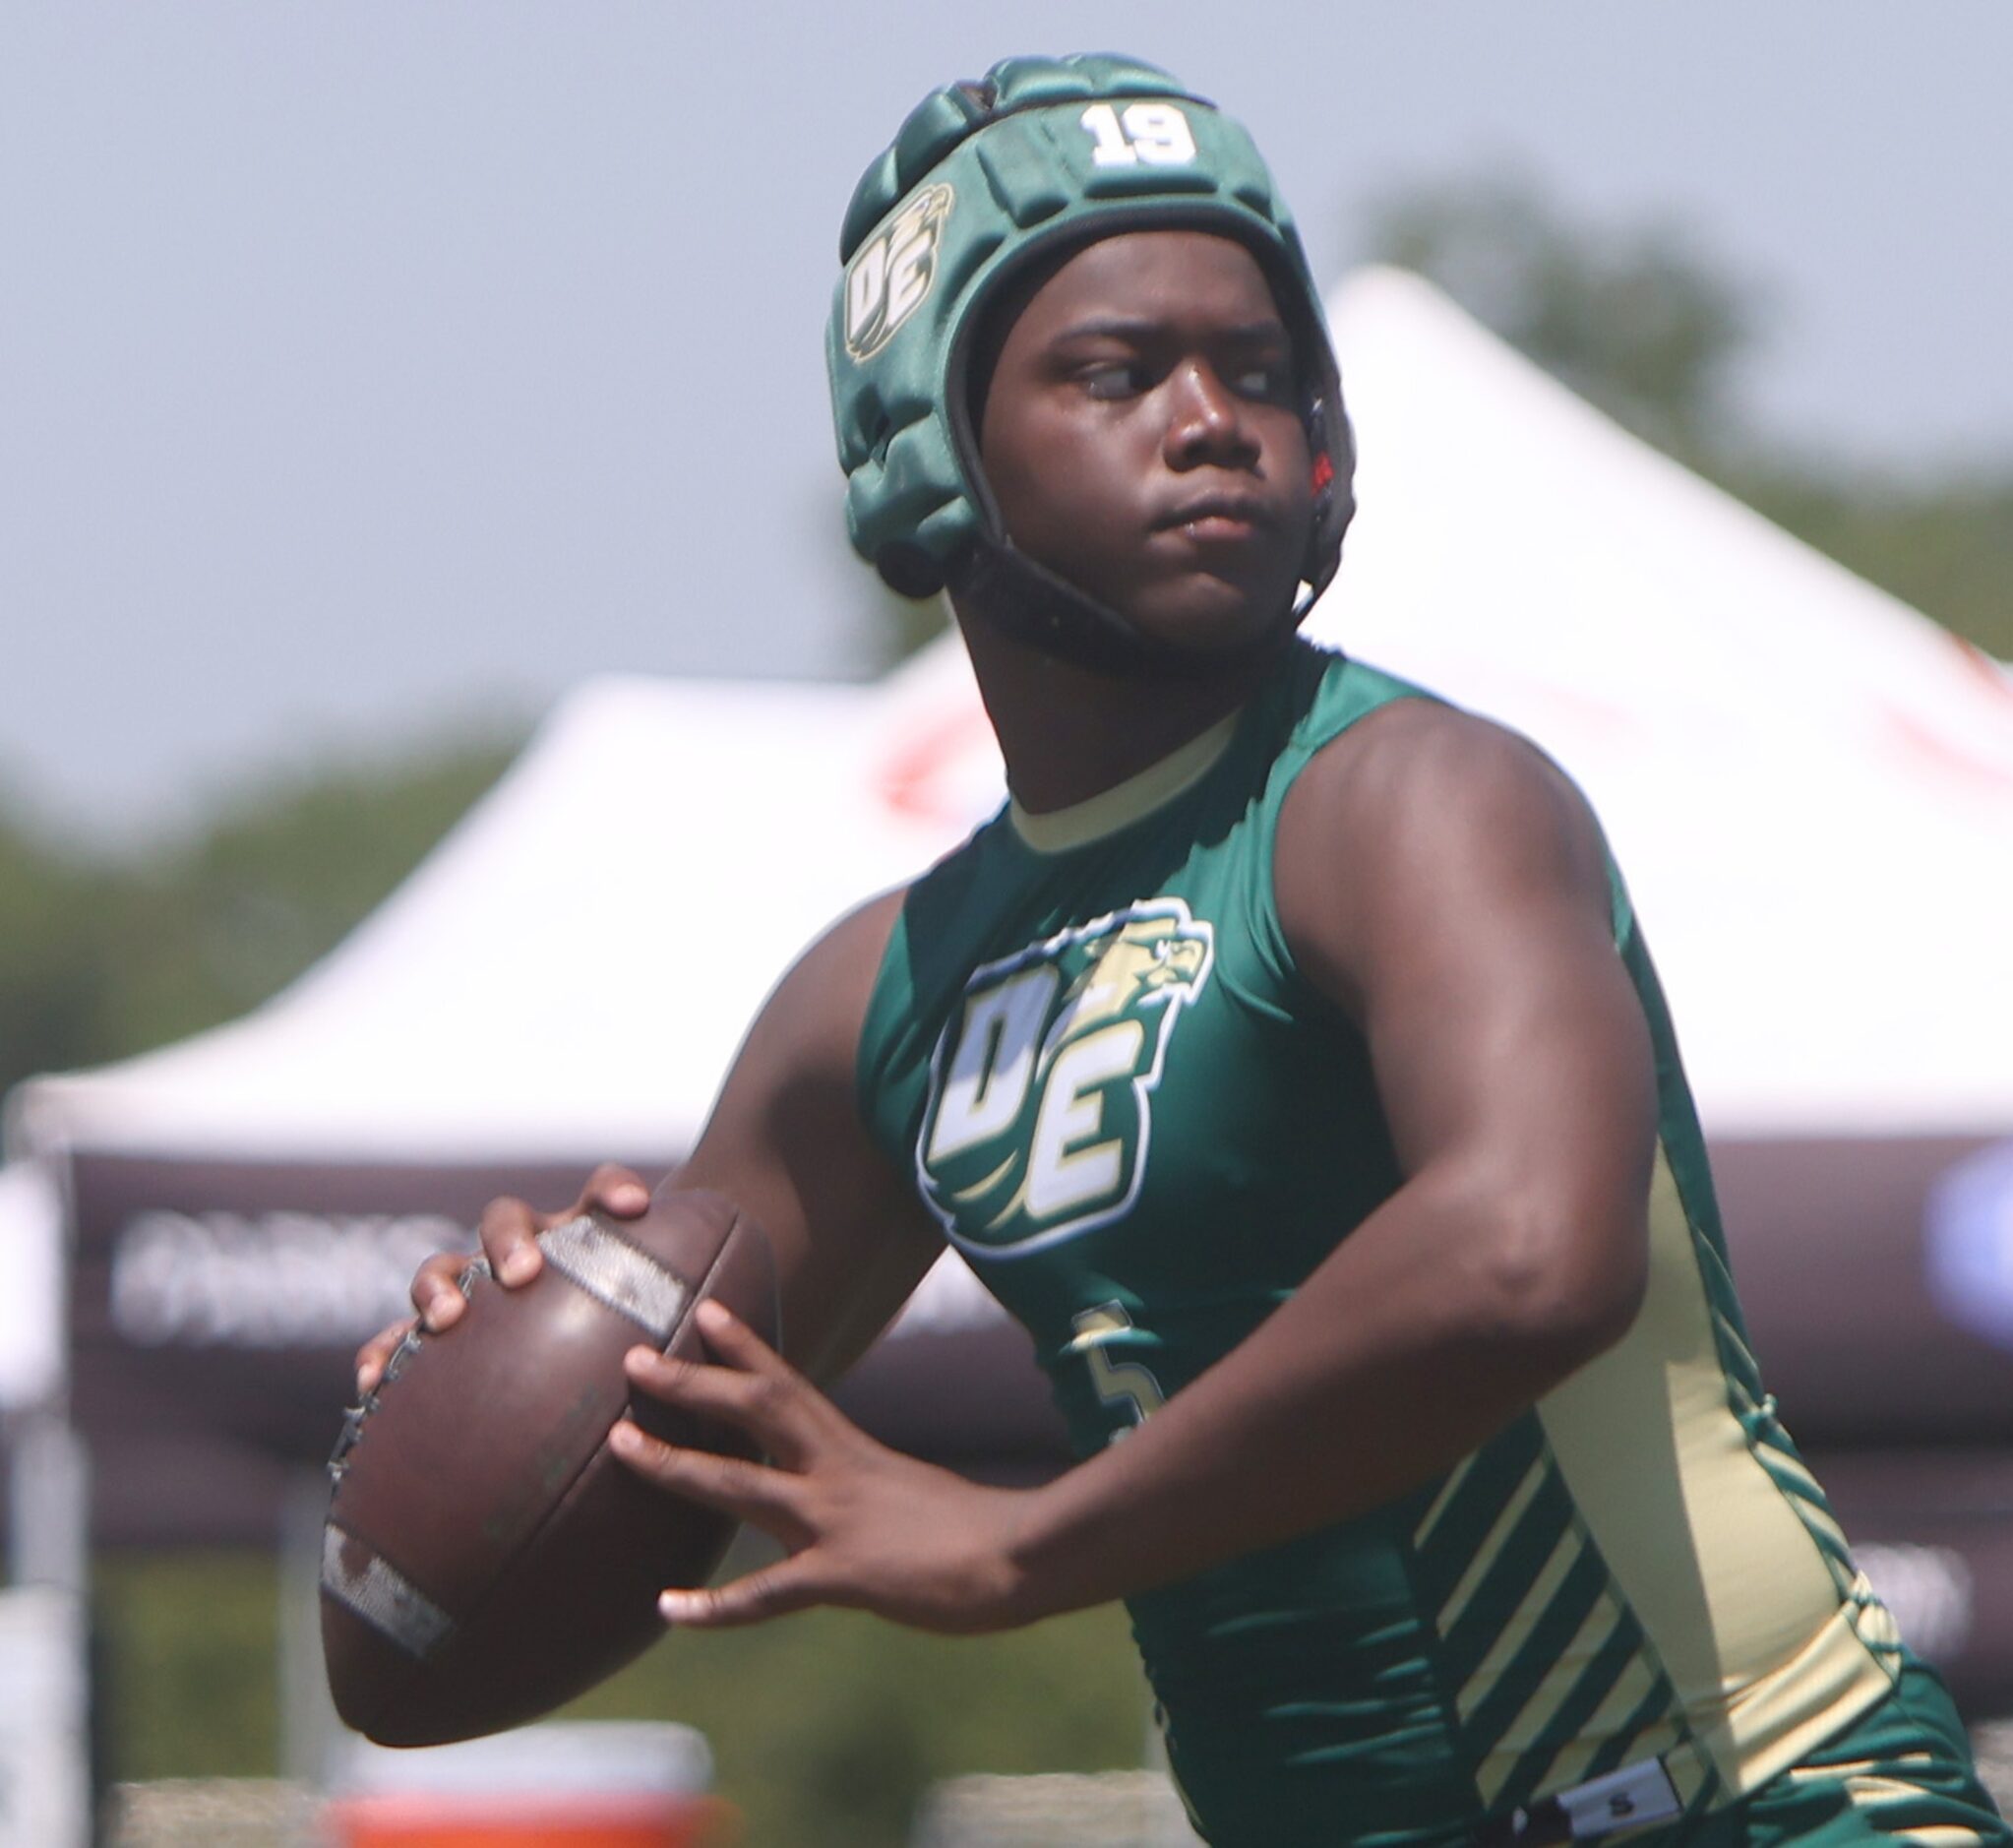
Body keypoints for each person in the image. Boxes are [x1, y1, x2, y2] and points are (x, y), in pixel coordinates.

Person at [356, 55, 2007, 1848]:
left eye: (1260, 367)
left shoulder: (1409, 799)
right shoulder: (883, 997)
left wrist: (1012, 1542)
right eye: (1116, 371)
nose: (1214, 417)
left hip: (1750, 1810)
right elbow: (662, 1451)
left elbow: (1529, 1254)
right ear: (931, 439)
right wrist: (496, 1360)